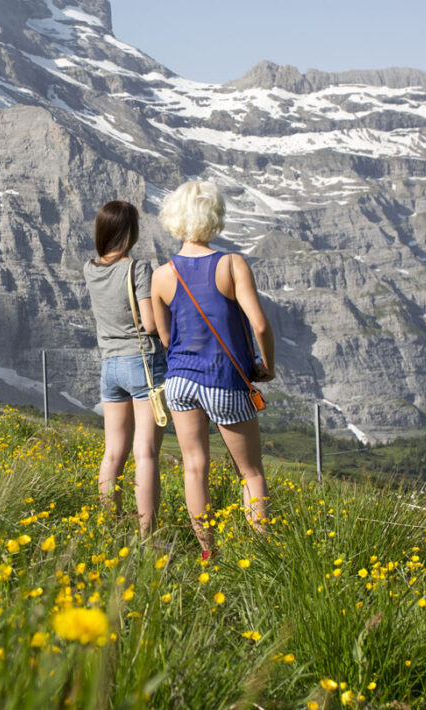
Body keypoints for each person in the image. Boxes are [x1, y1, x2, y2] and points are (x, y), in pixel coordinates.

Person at [150, 181, 275, 558]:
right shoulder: (231, 264)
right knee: (250, 472)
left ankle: (208, 552)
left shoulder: (162, 274)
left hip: (180, 382)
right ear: (214, 216)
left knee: (194, 468)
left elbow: (166, 337)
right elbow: (261, 325)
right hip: (225, 381)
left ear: (175, 219)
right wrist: (266, 366)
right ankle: (261, 552)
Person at [83, 200, 168, 539]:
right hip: (143, 364)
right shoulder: (137, 269)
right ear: (129, 231)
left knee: (112, 453)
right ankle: (147, 535)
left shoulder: (90, 268)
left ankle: (108, 527)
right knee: (145, 453)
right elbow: (149, 323)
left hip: (110, 366)